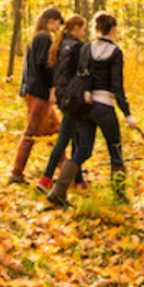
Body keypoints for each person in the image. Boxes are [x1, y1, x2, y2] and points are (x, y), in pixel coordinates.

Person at [47, 13, 137, 207]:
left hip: (86, 107)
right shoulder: (115, 52)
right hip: (105, 107)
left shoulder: (87, 48)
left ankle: (58, 191)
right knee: (115, 149)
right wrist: (127, 114)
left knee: (82, 151)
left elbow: (81, 75)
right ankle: (120, 197)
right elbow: (117, 87)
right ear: (113, 29)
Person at [7, 8, 65, 185]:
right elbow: (44, 65)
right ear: (52, 21)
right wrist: (51, 88)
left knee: (55, 129)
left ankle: (68, 171)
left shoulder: (37, 36)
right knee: (31, 132)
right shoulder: (44, 38)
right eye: (58, 23)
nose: (59, 27)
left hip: (35, 89)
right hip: (39, 92)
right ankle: (16, 173)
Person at [37, 14, 90, 191]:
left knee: (74, 137)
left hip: (63, 96)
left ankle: (78, 180)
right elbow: (82, 73)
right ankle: (46, 178)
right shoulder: (77, 47)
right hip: (74, 98)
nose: (83, 32)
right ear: (75, 29)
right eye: (82, 28)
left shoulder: (60, 45)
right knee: (65, 138)